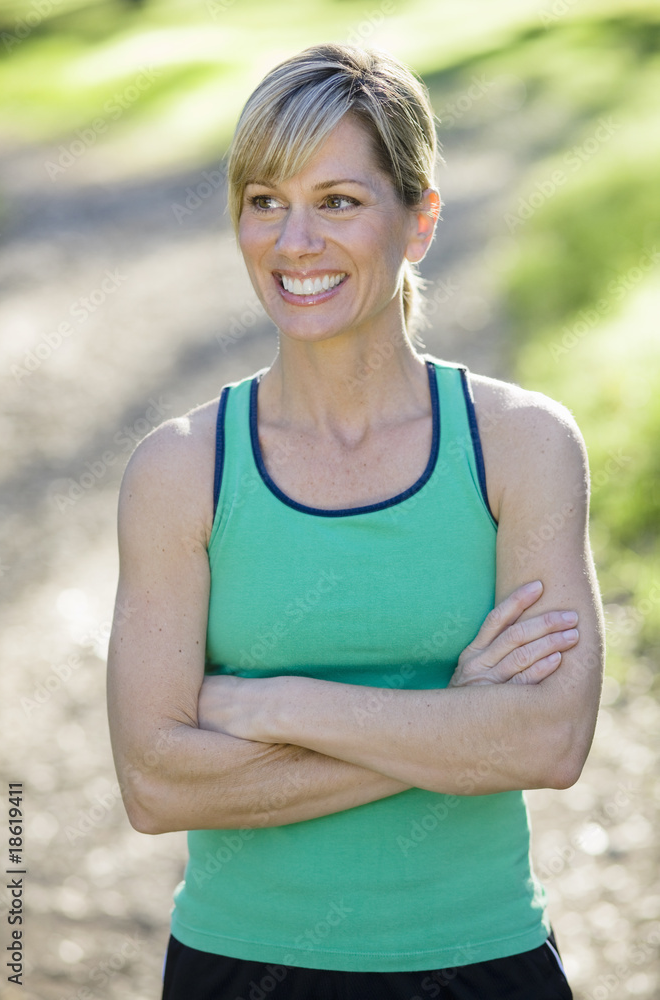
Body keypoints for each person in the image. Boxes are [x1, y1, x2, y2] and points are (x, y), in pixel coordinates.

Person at [106, 43, 604, 1000]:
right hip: (239, 968)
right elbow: (155, 785)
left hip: (478, 962)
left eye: (337, 201)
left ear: (419, 221)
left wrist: (276, 703)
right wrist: (457, 723)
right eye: (265, 201)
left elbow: (549, 743)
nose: (294, 242)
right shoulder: (179, 470)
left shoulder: (521, 446)